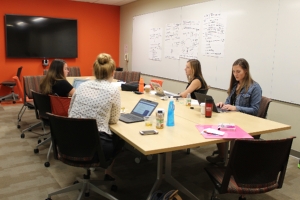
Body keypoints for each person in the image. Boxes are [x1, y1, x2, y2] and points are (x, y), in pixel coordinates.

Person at [68, 53, 123, 162]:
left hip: (71, 140)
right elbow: (113, 120)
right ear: (112, 73)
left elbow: (70, 111)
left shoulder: (82, 86)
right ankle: (108, 171)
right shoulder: (113, 90)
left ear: (95, 71)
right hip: (96, 146)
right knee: (120, 138)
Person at [206, 58, 262, 164]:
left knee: (221, 127)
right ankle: (223, 156)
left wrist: (236, 108)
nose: (235, 74)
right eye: (233, 71)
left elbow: (255, 110)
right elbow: (229, 102)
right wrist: (223, 104)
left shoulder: (255, 87)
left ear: (246, 71)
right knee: (216, 124)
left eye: (238, 71)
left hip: (246, 121)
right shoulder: (236, 85)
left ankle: (229, 160)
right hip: (234, 118)